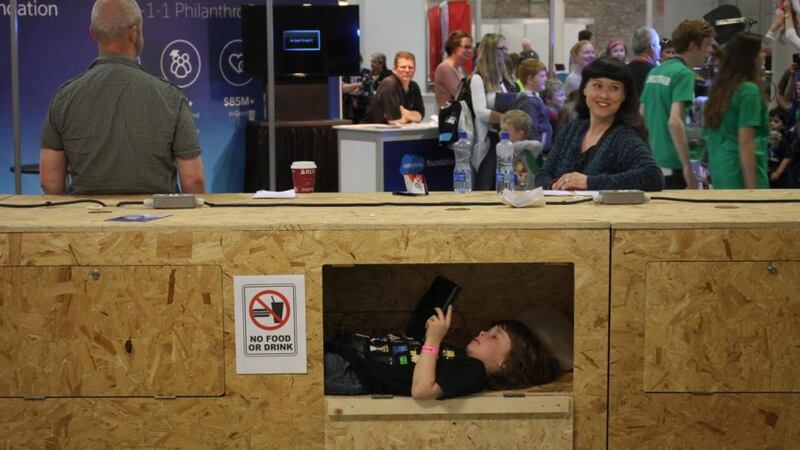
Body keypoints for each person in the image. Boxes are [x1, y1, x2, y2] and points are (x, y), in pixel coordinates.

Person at [39, 0, 205, 195]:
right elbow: (193, 180)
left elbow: (49, 181)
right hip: (158, 222)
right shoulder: (171, 98)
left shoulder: (64, 98)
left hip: (87, 222)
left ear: (93, 33)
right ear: (133, 33)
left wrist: (73, 214)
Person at [324, 305, 560, 399]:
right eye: (488, 329)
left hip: (352, 372)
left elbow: (422, 390)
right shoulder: (462, 358)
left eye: (494, 336)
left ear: (504, 364)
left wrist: (434, 338)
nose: (483, 332)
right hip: (349, 356)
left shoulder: (474, 372)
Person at [534, 58, 664, 192]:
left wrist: (589, 182)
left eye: (614, 88)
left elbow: (653, 176)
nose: (604, 95)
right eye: (597, 85)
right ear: (584, 89)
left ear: (624, 95)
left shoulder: (625, 137)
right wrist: (558, 185)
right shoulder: (572, 129)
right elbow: (542, 175)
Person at [641, 20, 714, 189]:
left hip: (652, 160)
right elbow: (675, 121)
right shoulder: (684, 74)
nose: (709, 50)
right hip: (673, 163)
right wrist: (688, 167)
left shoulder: (656, 71)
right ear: (693, 46)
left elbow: (642, 113)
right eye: (707, 44)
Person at [703, 33, 769, 189]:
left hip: (722, 170)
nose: (764, 55)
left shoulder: (721, 89)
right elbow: (746, 141)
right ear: (750, 57)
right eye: (760, 51)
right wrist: (752, 189)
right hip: (742, 174)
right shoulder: (749, 91)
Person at [470, 33, 519, 190]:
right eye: (501, 48)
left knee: (506, 185)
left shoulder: (507, 78)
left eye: (506, 48)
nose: (505, 52)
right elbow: (480, 111)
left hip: (508, 138)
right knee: (486, 183)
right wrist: (506, 119)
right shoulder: (478, 79)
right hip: (490, 139)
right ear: (490, 50)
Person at [495, 58, 553, 153]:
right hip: (536, 152)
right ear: (530, 79)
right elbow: (530, 130)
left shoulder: (533, 98)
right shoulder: (529, 102)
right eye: (542, 76)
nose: (545, 79)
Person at [362, 51, 425, 125]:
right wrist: (411, 117)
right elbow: (394, 120)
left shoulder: (414, 86)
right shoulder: (389, 84)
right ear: (394, 70)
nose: (407, 70)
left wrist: (406, 113)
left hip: (394, 132)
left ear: (415, 69)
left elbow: (420, 116)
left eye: (410, 67)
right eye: (403, 67)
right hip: (371, 132)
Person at [501, 110, 543, 189]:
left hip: (529, 195)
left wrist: (511, 147)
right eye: (501, 129)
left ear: (520, 133)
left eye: (506, 130)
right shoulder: (504, 152)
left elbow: (537, 145)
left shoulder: (530, 150)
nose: (501, 133)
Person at [434, 30, 473, 110]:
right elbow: (461, 95)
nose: (469, 51)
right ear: (454, 47)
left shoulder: (463, 70)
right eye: (466, 47)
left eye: (470, 47)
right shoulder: (444, 68)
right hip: (449, 119)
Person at [627, 27, 661, 96]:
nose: (659, 48)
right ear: (652, 47)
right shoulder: (656, 72)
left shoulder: (625, 70)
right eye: (658, 45)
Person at [767, 108, 792, 188]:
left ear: (783, 125)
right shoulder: (766, 138)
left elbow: (787, 157)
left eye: (776, 121)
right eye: (770, 121)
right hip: (769, 172)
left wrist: (778, 172)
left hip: (780, 176)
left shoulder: (782, 139)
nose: (772, 123)